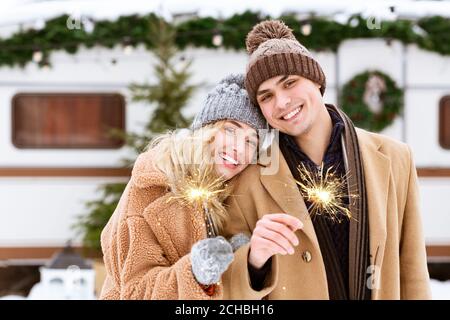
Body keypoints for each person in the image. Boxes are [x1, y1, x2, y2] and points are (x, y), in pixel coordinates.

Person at [221, 20, 431, 300]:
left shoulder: (395, 157)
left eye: (290, 83)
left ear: (317, 80)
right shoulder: (248, 177)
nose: (282, 102)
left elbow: (413, 271)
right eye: (266, 96)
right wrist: (254, 261)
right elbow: (226, 287)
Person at [99, 74, 266, 299]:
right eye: (230, 130)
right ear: (206, 129)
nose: (238, 147)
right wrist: (195, 272)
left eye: (250, 141)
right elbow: (135, 291)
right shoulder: (153, 184)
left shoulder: (233, 195)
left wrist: (243, 261)